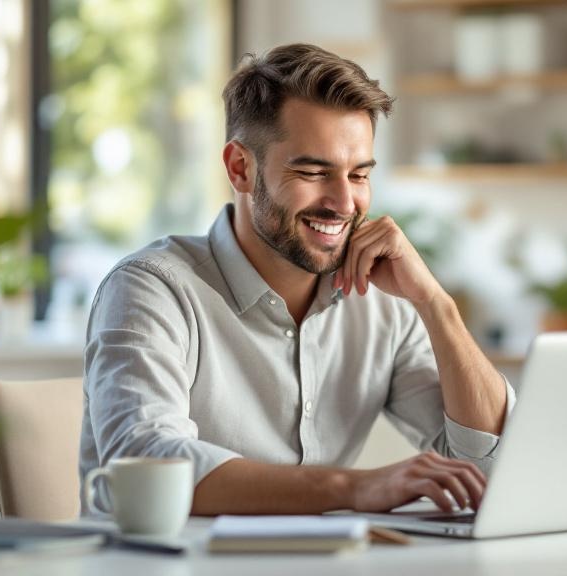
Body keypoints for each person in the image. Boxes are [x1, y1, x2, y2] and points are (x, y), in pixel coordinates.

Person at [79, 43, 515, 516]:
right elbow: (146, 464)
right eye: (313, 171)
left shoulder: (383, 303)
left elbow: (489, 470)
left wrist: (435, 304)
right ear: (240, 168)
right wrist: (351, 488)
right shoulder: (151, 290)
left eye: (359, 175)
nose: (344, 204)